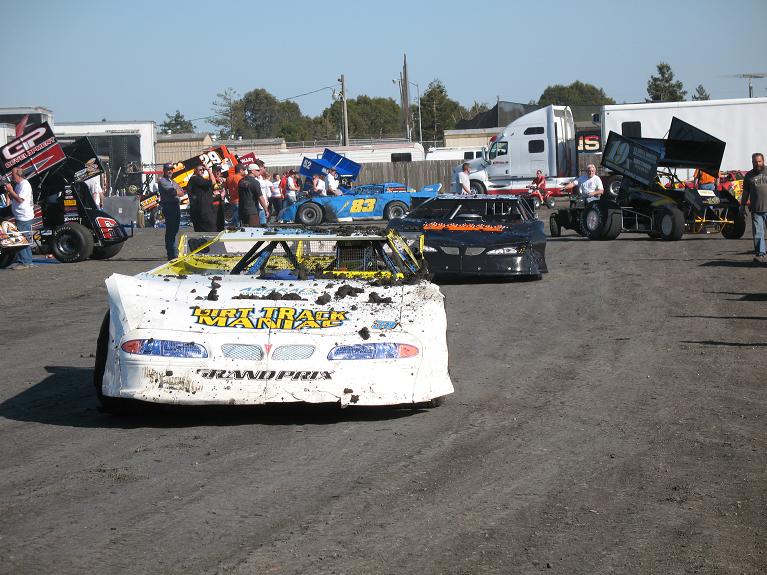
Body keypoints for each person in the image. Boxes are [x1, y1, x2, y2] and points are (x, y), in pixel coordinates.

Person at [4, 167, 34, 269]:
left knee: (21, 240)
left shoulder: (24, 185)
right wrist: (9, 192)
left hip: (24, 216)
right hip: (20, 215)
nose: (11, 176)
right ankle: (28, 261)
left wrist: (11, 190)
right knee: (24, 239)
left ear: (18, 175)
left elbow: (20, 199)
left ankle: (24, 262)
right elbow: (15, 197)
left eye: (13, 174)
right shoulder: (19, 185)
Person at [741, 152, 767, 264]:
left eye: (759, 161)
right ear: (752, 162)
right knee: (758, 233)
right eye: (755, 162)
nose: (757, 163)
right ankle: (761, 254)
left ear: (763, 161)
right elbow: (745, 192)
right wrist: (742, 206)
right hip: (756, 209)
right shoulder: (748, 176)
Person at [157, 163, 185, 260]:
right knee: (171, 231)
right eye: (168, 169)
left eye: (171, 169)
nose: (170, 171)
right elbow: (173, 192)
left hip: (175, 207)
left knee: (175, 230)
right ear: (164, 170)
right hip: (169, 207)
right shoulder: (163, 181)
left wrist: (178, 191)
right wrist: (177, 191)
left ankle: (173, 252)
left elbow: (182, 192)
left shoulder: (172, 181)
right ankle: (171, 253)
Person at [210, 164, 226, 231]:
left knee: (221, 225)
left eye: (219, 170)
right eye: (217, 170)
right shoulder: (210, 180)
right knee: (214, 226)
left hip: (221, 204)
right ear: (213, 171)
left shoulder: (221, 180)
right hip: (213, 206)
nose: (218, 172)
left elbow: (223, 191)